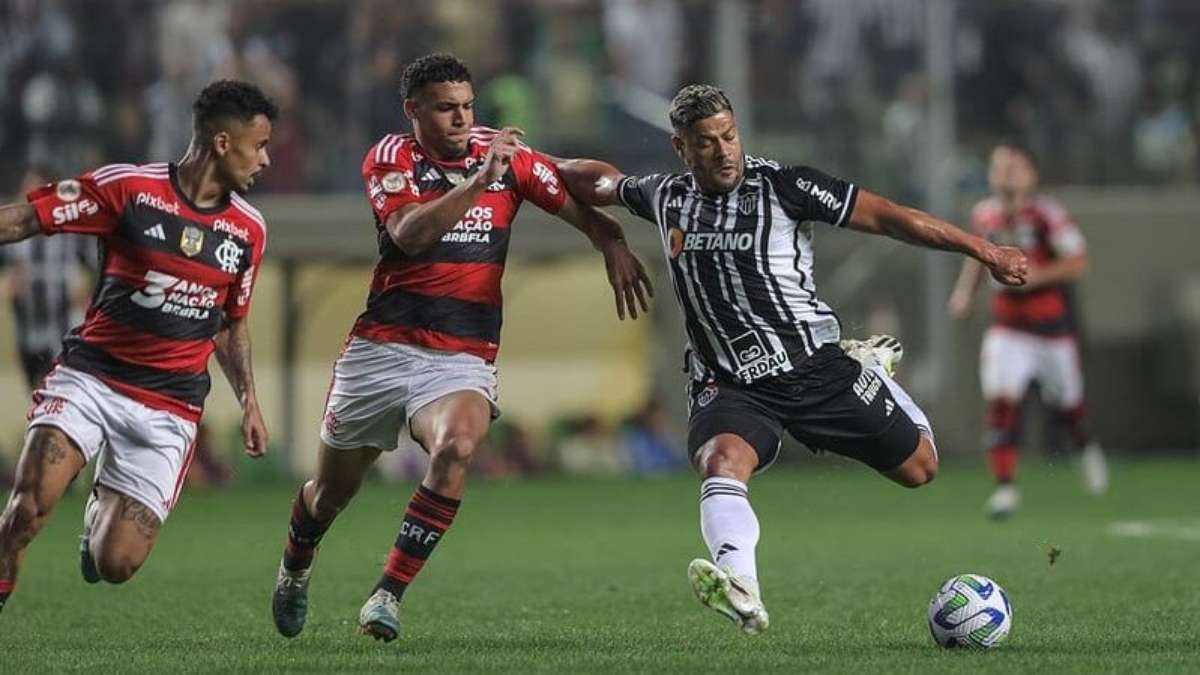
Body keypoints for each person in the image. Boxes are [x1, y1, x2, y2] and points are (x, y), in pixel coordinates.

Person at [554, 84, 1027, 635]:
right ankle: (741, 588)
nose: (723, 151)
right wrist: (529, 164)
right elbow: (598, 182)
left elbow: (890, 217)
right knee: (721, 461)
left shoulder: (784, 187)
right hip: (728, 382)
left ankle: (869, 370)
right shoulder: (665, 196)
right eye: (705, 143)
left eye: (729, 136)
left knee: (920, 469)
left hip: (815, 370)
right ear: (681, 149)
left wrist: (984, 250)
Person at [269, 53, 653, 642]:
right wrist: (481, 181)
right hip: (381, 347)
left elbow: (570, 185)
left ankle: (387, 594)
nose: (460, 118)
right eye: (446, 108)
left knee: (458, 446)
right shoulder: (392, 158)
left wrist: (611, 234)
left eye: (468, 106)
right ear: (414, 110)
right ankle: (295, 569)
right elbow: (409, 234)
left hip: (460, 355)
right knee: (330, 495)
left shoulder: (501, 156)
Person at [0, 80, 275, 614]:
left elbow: (230, 323)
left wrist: (249, 400)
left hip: (170, 405)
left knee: (116, 563)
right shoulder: (128, 189)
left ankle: (97, 515)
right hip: (92, 378)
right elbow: (29, 218)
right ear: (222, 142)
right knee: (24, 513)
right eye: (259, 145)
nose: (265, 159)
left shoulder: (248, 230)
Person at [948, 142, 1108, 518]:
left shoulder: (1046, 215)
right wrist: (964, 295)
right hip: (1008, 330)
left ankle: (1084, 448)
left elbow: (1078, 262)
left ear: (1030, 174)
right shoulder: (985, 215)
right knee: (1002, 404)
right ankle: (1005, 490)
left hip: (1052, 332)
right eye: (999, 167)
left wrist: (1038, 276)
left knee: (1070, 407)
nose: (1006, 175)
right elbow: (977, 259)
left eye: (1014, 167)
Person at [0, 165, 96, 390]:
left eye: (34, 187)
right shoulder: (13, 231)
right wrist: (8, 283)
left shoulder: (69, 228)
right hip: (26, 326)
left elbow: (97, 265)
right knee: (34, 390)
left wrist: (87, 290)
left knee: (52, 388)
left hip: (60, 324)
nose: (27, 193)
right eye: (26, 186)